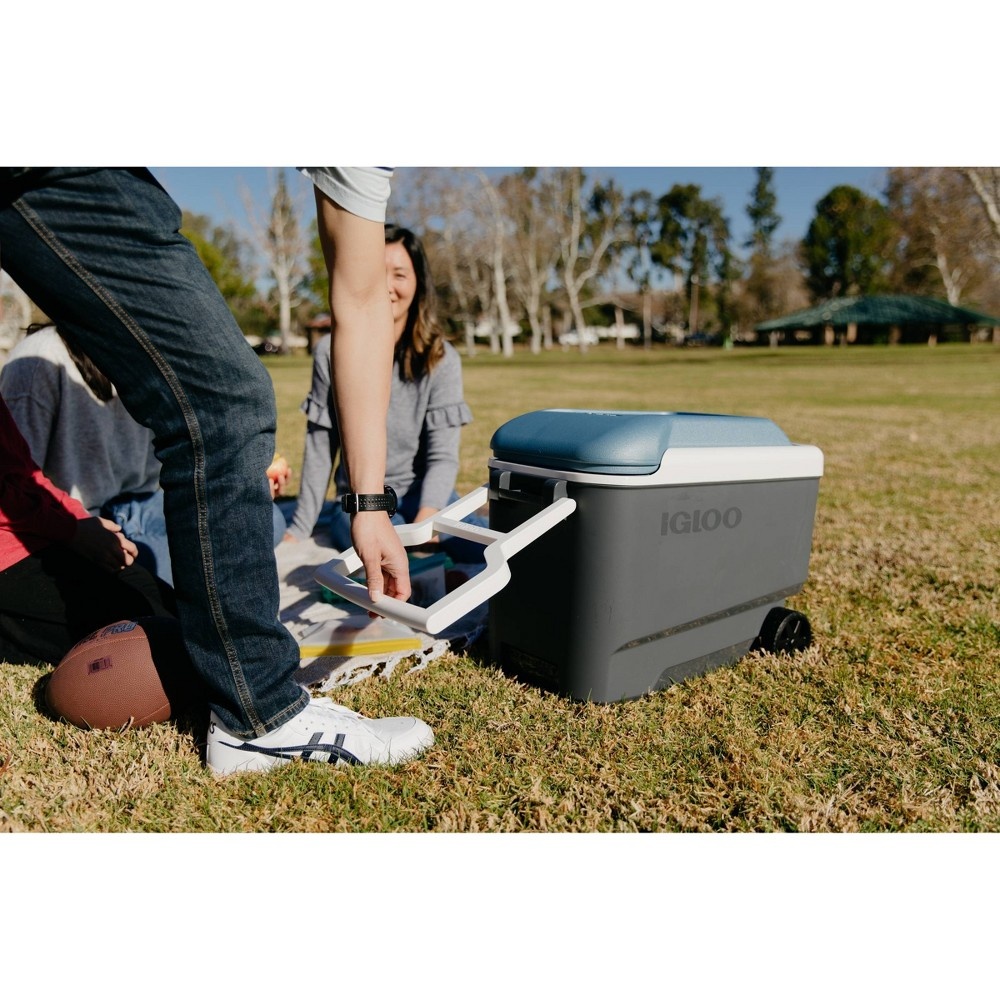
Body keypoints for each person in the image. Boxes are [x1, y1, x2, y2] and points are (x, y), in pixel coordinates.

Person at [0, 167, 432, 774]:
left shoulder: (357, 162)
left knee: (223, 400)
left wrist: (369, 504)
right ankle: (258, 719)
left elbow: (359, 303)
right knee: (224, 397)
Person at [0, 322, 288, 586]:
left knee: (262, 521)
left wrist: (241, 476)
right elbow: (18, 483)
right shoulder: (39, 359)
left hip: (144, 503)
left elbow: (189, 447)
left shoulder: (149, 350)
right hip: (81, 519)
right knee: (196, 564)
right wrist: (75, 528)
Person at [284, 224, 486, 567]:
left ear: (417, 283)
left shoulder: (441, 359)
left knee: (488, 549)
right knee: (384, 553)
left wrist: (428, 521)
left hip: (425, 497)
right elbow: (320, 449)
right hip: (360, 502)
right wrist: (300, 530)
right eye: (377, 273)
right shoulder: (330, 352)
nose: (388, 286)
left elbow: (442, 456)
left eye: (400, 275)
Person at [0, 396, 176, 666]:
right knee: (151, 644)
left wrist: (81, 522)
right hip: (11, 556)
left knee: (176, 612)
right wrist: (72, 530)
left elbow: (26, 474)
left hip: (46, 532)